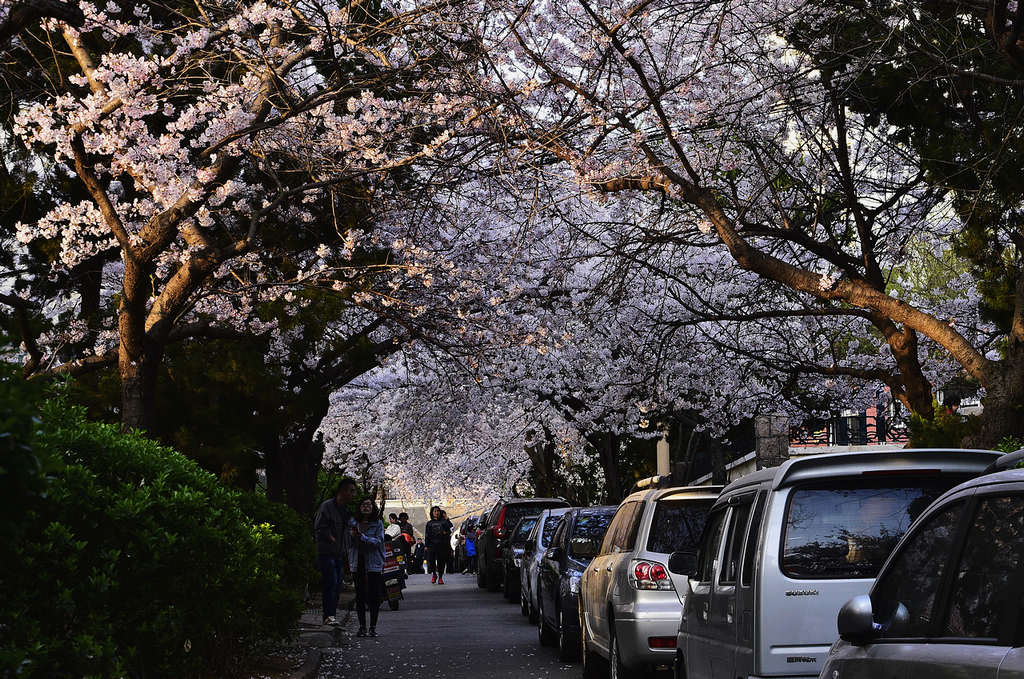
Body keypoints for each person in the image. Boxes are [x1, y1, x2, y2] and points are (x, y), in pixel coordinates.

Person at [314, 478, 357, 625]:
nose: (353, 494)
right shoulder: (327, 507)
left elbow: (349, 530)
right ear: (342, 491)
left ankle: (331, 615)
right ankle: (328, 616)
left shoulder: (345, 511)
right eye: (351, 491)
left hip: (340, 553)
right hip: (327, 552)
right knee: (330, 583)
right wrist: (331, 538)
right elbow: (319, 527)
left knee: (338, 584)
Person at [350, 498, 386, 637]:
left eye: (368, 504)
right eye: (363, 504)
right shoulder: (353, 524)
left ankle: (372, 627)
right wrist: (353, 536)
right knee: (360, 596)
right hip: (357, 562)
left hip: (373, 563)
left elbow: (378, 541)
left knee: (374, 596)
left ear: (373, 507)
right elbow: (348, 542)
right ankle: (362, 627)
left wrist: (363, 537)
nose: (366, 507)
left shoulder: (378, 524)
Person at [424, 506, 453, 584]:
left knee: (441, 561)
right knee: (431, 561)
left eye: (438, 511)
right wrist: (426, 545)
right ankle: (434, 574)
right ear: (432, 513)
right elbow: (427, 535)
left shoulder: (444, 522)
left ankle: (440, 577)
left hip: (442, 544)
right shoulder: (429, 523)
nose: (437, 513)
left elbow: (450, 529)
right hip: (431, 545)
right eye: (435, 511)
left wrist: (446, 532)